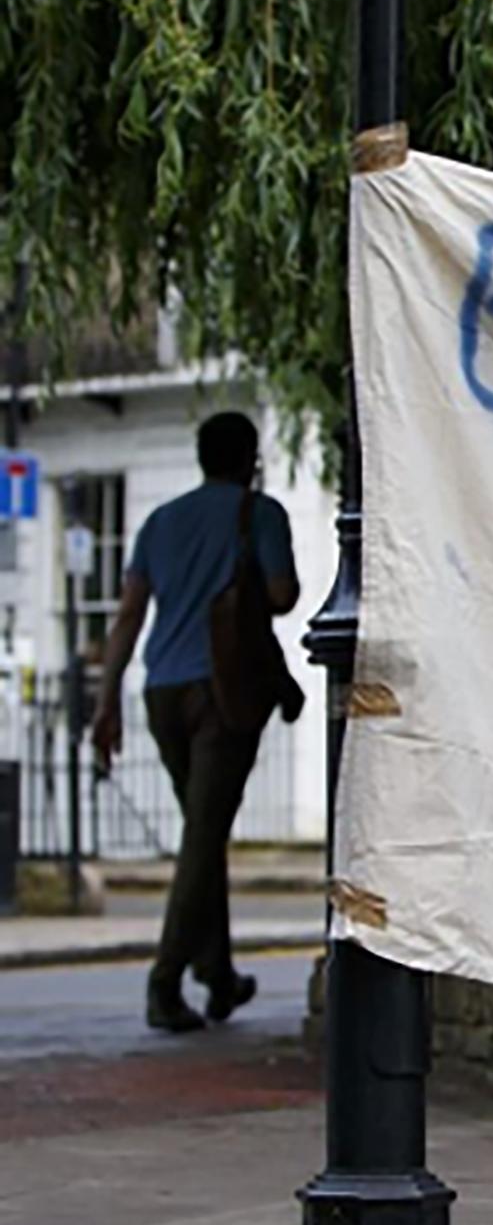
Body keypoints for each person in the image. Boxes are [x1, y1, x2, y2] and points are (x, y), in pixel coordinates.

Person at [92, 412, 300, 1033]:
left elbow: (129, 616)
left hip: (161, 693)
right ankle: (165, 983)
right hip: (224, 691)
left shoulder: (160, 522)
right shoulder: (258, 514)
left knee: (200, 834)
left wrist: (106, 701)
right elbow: (284, 593)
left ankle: (219, 973)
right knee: (202, 839)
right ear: (249, 457)